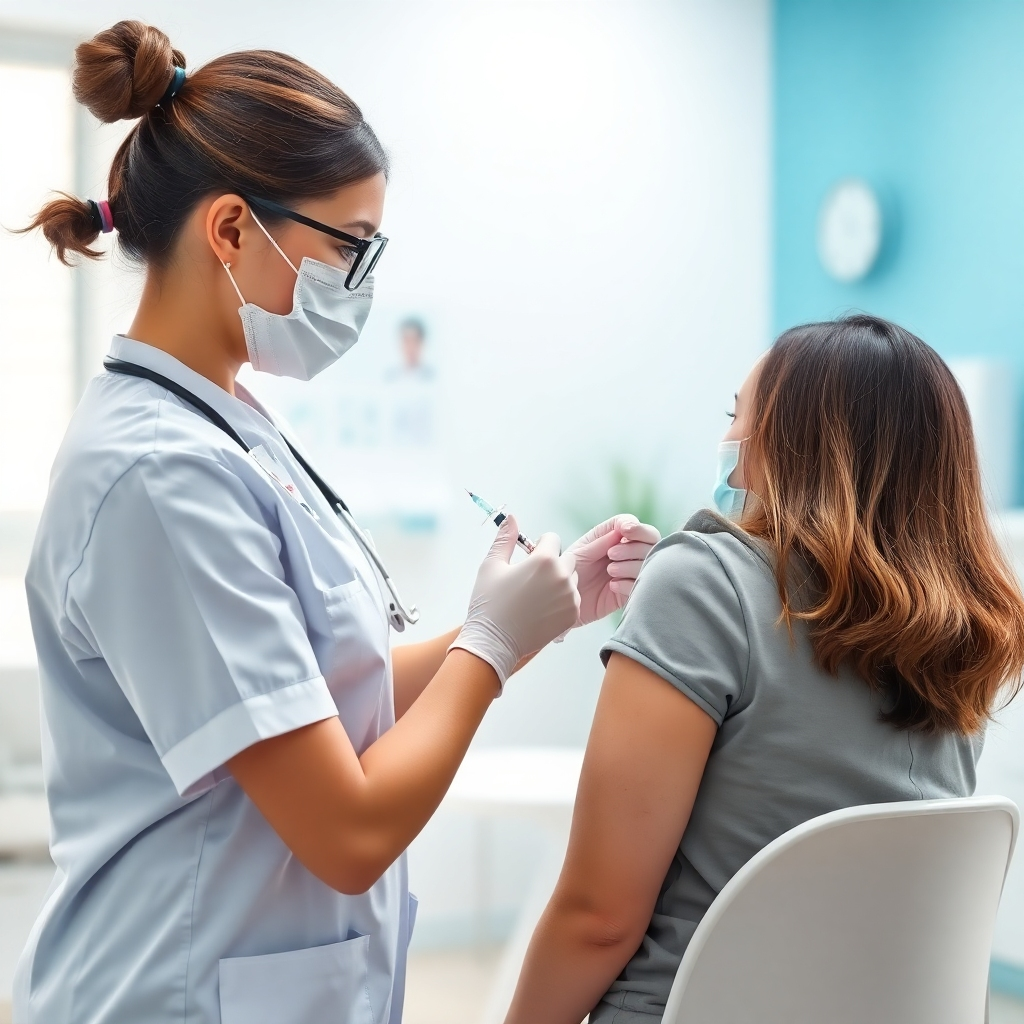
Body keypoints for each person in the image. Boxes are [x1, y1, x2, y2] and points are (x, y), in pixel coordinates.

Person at [13, 22, 660, 1024]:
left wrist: (534, 615)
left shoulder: (228, 426)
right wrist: (489, 650)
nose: (360, 284)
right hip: (174, 992)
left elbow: (319, 696)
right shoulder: (158, 474)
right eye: (347, 248)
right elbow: (348, 830)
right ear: (232, 230)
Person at [503, 315, 1024, 1023]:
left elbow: (599, 918)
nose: (727, 441)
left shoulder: (700, 583)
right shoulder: (960, 636)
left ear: (789, 443)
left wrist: (691, 588)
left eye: (736, 418)